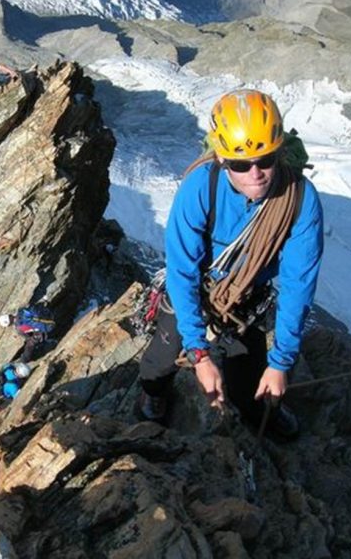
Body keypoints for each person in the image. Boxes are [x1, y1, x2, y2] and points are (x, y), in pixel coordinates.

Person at [137, 89, 324, 440]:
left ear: (280, 151)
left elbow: (298, 286)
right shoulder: (200, 188)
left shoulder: (299, 200)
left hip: (245, 298)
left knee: (249, 385)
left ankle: (254, 409)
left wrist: (281, 363)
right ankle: (153, 395)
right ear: (222, 159)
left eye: (266, 159)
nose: (255, 174)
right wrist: (198, 353)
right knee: (161, 360)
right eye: (240, 164)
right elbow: (182, 270)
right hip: (197, 288)